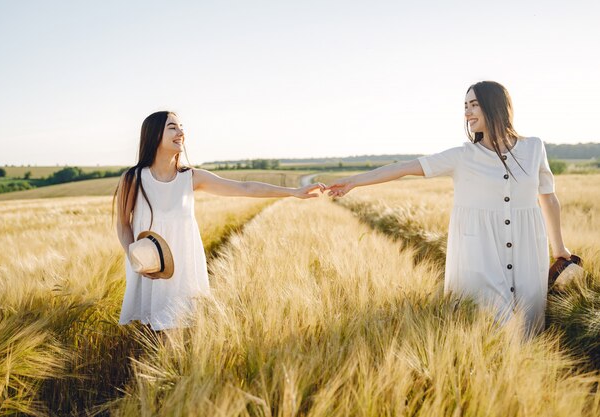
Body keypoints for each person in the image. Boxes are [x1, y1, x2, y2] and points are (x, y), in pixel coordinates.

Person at [326, 81, 570, 335]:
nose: (467, 113)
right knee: (491, 329)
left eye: (474, 105)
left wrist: (559, 248)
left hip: (528, 253)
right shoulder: (462, 156)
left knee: (529, 329)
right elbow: (405, 167)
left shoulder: (533, 148)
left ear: (496, 106)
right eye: (465, 106)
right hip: (479, 256)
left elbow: (548, 198)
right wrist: (354, 181)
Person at [114, 111, 323, 330]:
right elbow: (122, 224)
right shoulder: (133, 178)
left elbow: (245, 188)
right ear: (154, 134)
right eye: (173, 127)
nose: (181, 133)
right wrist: (136, 257)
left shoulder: (191, 177)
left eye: (181, 126)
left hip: (183, 268)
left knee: (174, 335)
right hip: (149, 266)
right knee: (151, 336)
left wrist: (294, 191)